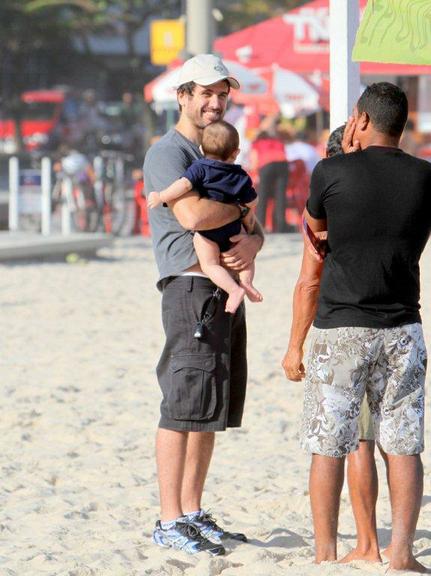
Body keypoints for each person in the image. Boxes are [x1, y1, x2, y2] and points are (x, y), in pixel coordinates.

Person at [282, 82, 431, 573]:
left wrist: (294, 345)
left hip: (341, 327)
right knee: (403, 443)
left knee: (330, 443)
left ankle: (325, 552)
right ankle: (403, 555)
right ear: (402, 125)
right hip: (402, 326)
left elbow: (314, 236)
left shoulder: (330, 171)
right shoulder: (424, 176)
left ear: (361, 120)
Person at [143, 53, 264, 557]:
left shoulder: (223, 150)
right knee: (182, 400)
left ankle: (192, 512)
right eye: (205, 94)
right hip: (189, 285)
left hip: (221, 287)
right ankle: (169, 519)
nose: (215, 103)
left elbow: (256, 228)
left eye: (222, 94)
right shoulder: (168, 152)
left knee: (210, 405)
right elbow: (192, 214)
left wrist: (253, 244)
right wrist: (239, 209)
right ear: (184, 96)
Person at [148, 120, 262, 314]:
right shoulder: (241, 175)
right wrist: (243, 210)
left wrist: (161, 196)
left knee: (210, 264)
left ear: (201, 148)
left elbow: (183, 186)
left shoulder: (200, 167)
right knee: (246, 260)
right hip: (234, 230)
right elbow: (252, 201)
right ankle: (247, 283)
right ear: (235, 152)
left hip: (209, 232)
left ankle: (234, 290)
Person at [250, 125, 290, 233]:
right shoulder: (278, 142)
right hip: (283, 164)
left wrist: (256, 173)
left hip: (266, 165)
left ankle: (260, 226)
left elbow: (254, 162)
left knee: (262, 196)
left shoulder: (256, 143)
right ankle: (281, 226)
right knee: (280, 196)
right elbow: (285, 154)